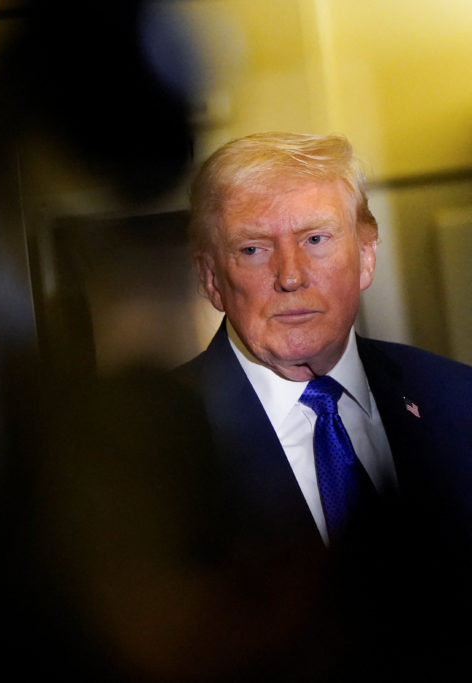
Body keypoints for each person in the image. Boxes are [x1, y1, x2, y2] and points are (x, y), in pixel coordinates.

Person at [172, 131, 472, 680]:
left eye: (315, 239)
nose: (290, 276)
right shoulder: (149, 445)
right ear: (212, 278)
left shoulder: (459, 403)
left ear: (366, 256)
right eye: (253, 248)